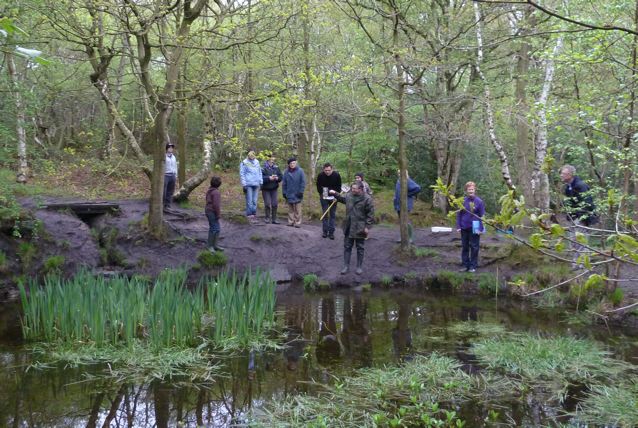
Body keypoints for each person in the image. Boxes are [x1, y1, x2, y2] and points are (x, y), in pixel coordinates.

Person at [329, 181, 374, 275]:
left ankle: (359, 267)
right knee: (347, 247)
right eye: (352, 188)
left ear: (360, 189)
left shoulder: (367, 199)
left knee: (360, 248)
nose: (352, 190)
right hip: (348, 226)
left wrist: (367, 227)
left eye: (354, 188)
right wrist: (335, 193)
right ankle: (346, 266)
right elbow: (342, 198)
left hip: (360, 227)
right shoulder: (349, 196)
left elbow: (370, 214)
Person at [559, 164, 598, 267]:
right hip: (573, 219)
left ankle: (584, 264)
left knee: (581, 241)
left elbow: (587, 203)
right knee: (573, 241)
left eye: (563, 173)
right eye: (561, 173)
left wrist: (580, 219)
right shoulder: (568, 187)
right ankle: (576, 263)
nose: (561, 175)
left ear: (570, 174)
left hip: (581, 219)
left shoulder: (581, 186)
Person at [456, 181, 485, 273]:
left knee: (474, 247)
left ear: (475, 190)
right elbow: (459, 214)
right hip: (464, 226)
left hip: (475, 227)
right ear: (466, 190)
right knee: (465, 246)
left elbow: (482, 216)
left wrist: (481, 228)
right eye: (469, 189)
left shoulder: (479, 202)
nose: (471, 191)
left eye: (472, 189)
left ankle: (473, 265)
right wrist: (458, 226)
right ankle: (465, 265)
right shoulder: (462, 201)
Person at [393, 170, 421, 244]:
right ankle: (403, 236)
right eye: (398, 173)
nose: (399, 174)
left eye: (400, 173)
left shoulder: (407, 180)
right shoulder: (399, 181)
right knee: (401, 221)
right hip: (398, 204)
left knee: (405, 220)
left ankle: (410, 238)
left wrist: (408, 194)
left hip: (405, 204)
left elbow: (417, 188)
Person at [316, 163, 342, 239]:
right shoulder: (320, 175)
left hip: (334, 195)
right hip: (324, 194)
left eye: (329, 170)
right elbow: (318, 186)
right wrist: (323, 194)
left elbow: (339, 187)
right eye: (326, 170)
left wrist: (336, 195)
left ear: (332, 169)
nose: (327, 172)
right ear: (323, 170)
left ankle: (331, 233)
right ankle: (325, 231)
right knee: (325, 214)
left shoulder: (336, 175)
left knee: (332, 215)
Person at [281, 157, 306, 227]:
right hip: (289, 193)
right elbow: (284, 183)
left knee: (298, 209)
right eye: (291, 163)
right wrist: (284, 192)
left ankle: (297, 222)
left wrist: (301, 192)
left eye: (293, 163)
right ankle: (290, 221)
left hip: (298, 192)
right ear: (289, 164)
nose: (292, 164)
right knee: (290, 209)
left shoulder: (300, 171)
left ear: (296, 163)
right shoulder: (286, 171)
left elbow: (303, 182)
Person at [239, 150, 263, 223]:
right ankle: (249, 214)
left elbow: (259, 172)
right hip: (248, 184)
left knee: (255, 201)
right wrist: (244, 183)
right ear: (248, 155)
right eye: (250, 155)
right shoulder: (244, 162)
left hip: (256, 184)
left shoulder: (257, 162)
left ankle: (254, 213)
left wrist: (261, 181)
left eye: (253, 155)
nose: (252, 157)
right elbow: (242, 173)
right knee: (249, 200)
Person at [261, 151, 283, 224]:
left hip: (274, 188)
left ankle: (274, 219)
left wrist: (277, 178)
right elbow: (260, 178)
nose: (272, 161)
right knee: (267, 204)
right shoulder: (263, 168)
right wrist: (268, 178)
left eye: (273, 160)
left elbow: (281, 177)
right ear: (267, 160)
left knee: (275, 204)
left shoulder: (276, 168)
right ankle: (267, 218)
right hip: (265, 189)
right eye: (270, 159)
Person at [205, 176, 224, 253]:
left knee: (217, 228)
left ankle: (215, 245)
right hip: (211, 212)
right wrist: (218, 214)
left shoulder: (210, 190)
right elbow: (216, 205)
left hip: (208, 210)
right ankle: (210, 246)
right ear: (219, 184)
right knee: (214, 228)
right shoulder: (216, 192)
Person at [163, 143, 178, 209]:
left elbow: (175, 166)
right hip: (166, 175)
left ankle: (168, 205)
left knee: (170, 191)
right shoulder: (164, 156)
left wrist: (176, 175)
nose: (171, 148)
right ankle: (162, 204)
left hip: (172, 175)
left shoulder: (173, 157)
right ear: (166, 148)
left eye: (172, 147)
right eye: (169, 147)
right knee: (164, 191)